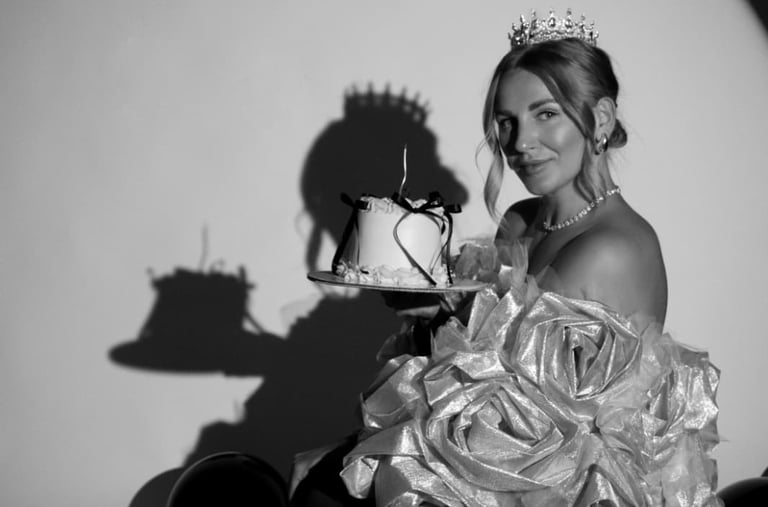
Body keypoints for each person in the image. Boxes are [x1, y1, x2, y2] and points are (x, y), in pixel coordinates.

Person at [294, 10, 721, 507]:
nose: (520, 143)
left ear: (601, 118)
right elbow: (467, 374)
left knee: (329, 489)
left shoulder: (614, 247)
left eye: (546, 114)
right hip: (479, 458)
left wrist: (452, 322)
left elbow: (527, 407)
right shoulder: (520, 222)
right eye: (506, 122)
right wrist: (434, 311)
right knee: (323, 480)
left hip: (553, 487)